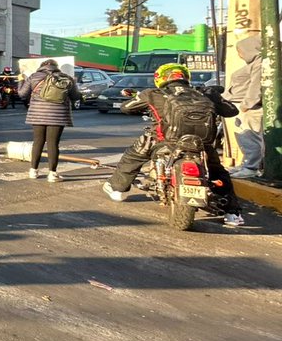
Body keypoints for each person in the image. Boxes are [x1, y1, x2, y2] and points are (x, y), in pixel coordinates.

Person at [103, 63, 244, 225]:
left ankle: (117, 189)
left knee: (133, 155)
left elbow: (125, 108)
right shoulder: (204, 93)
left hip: (165, 142)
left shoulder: (153, 94)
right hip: (201, 145)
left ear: (160, 79)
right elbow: (232, 111)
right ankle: (233, 213)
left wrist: (142, 98)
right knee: (218, 172)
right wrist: (215, 96)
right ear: (186, 78)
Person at [18, 59, 81, 182]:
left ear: (42, 66)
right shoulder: (66, 77)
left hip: (37, 115)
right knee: (53, 144)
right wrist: (74, 82)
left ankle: (33, 171)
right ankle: (52, 174)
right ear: (57, 67)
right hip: (58, 116)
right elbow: (75, 97)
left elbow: (22, 94)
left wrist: (21, 80)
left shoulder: (34, 76)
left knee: (38, 142)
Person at [227, 35, 263, 178]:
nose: (239, 54)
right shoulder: (253, 63)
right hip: (241, 106)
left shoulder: (259, 63)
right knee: (245, 137)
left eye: (240, 50)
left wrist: (246, 105)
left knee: (250, 137)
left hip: (249, 108)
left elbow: (256, 86)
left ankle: (251, 168)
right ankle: (247, 164)